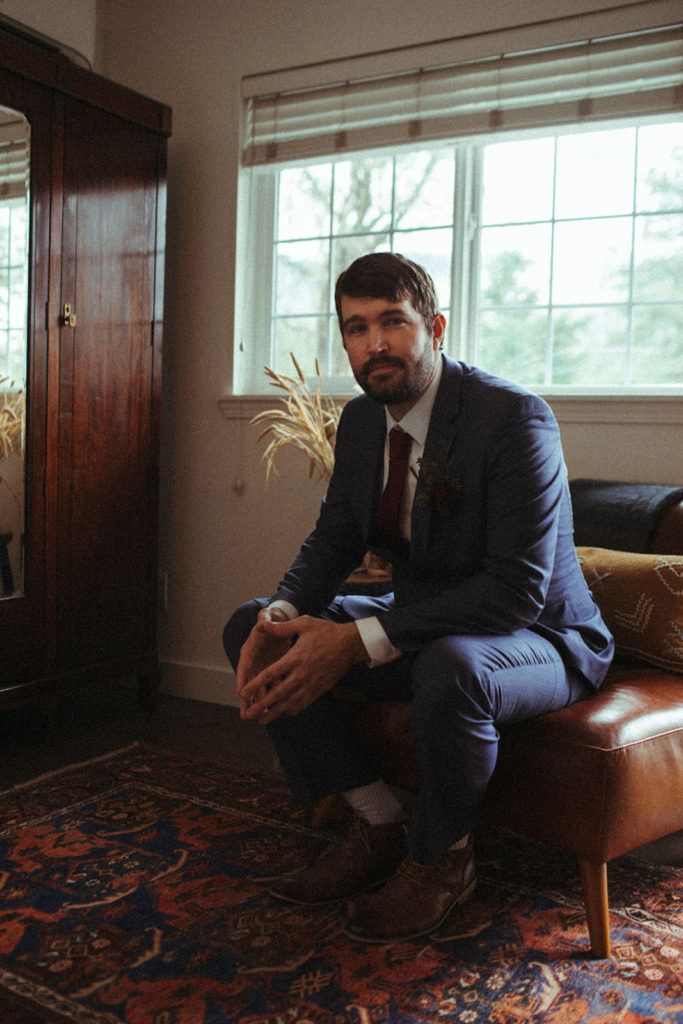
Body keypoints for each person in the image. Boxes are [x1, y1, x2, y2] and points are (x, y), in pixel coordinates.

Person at [223, 252, 613, 943]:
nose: (374, 343)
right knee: (251, 625)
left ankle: (443, 859)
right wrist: (283, 613)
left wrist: (357, 640)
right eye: (355, 327)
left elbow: (515, 593)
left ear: (432, 326)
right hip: (425, 623)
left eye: (392, 322)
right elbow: (334, 539)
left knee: (451, 666)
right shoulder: (361, 423)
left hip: (541, 640)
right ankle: (376, 824)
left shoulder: (513, 419)